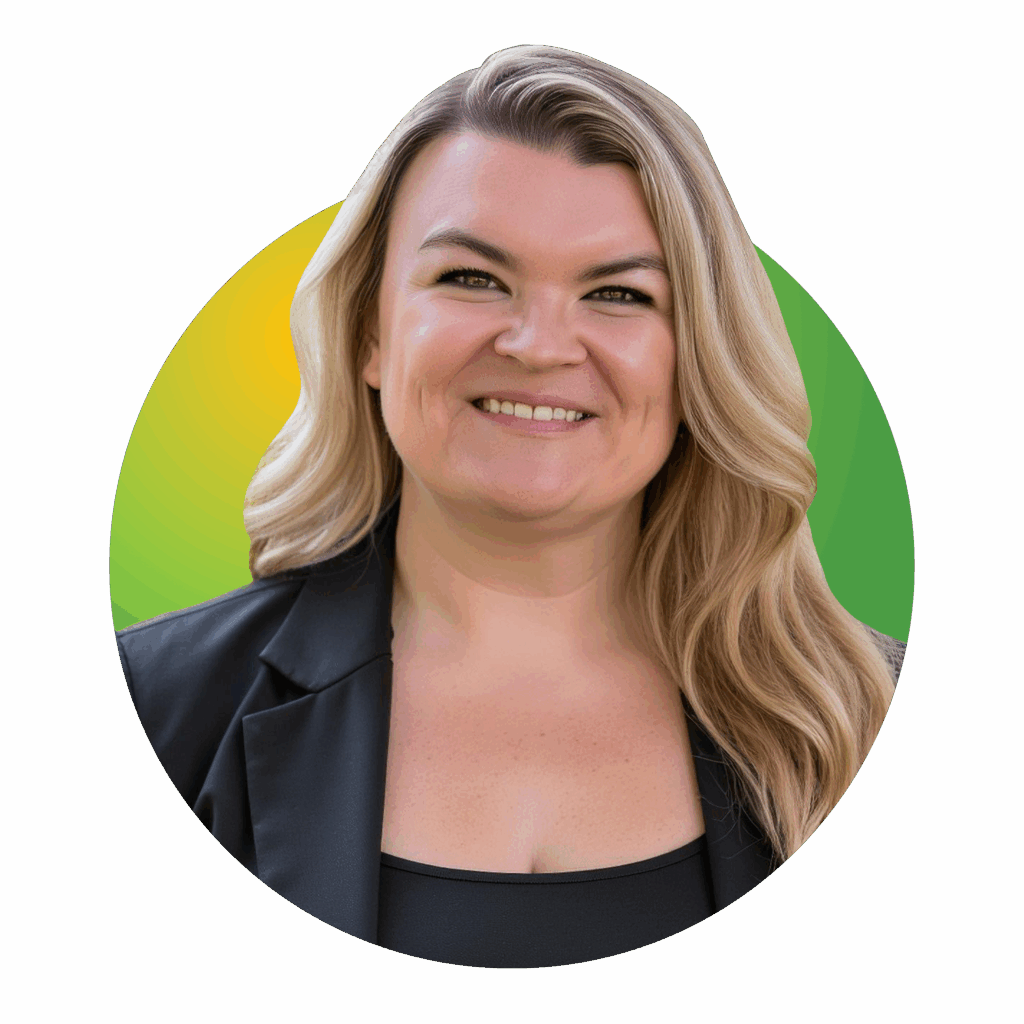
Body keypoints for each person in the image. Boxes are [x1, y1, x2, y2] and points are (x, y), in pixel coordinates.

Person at [116, 45, 906, 968]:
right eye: (472, 278)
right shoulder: (152, 709)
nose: (537, 346)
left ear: (696, 356)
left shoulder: (873, 716)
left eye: (618, 293)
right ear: (370, 331)